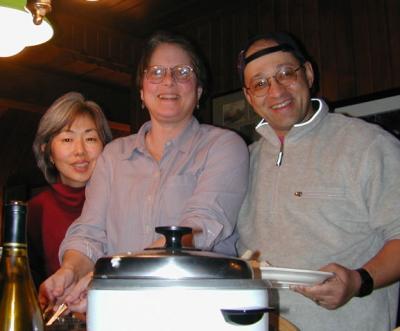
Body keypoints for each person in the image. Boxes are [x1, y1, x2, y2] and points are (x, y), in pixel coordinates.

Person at [39, 30, 249, 313]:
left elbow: (198, 227)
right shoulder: (113, 156)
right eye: (157, 71)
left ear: (198, 91)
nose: (169, 80)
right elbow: (89, 232)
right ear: (141, 91)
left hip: (200, 311)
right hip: (120, 313)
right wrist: (72, 270)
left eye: (183, 72)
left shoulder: (224, 146)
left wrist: (114, 274)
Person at [236, 31, 400, 331]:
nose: (275, 91)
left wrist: (359, 280)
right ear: (249, 96)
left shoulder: (368, 145)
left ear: (308, 74)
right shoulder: (242, 159)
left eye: (286, 73)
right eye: (260, 83)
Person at [28, 92, 112, 288]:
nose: (80, 151)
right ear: (47, 152)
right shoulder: (35, 211)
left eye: (90, 139)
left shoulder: (121, 201)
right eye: (67, 140)